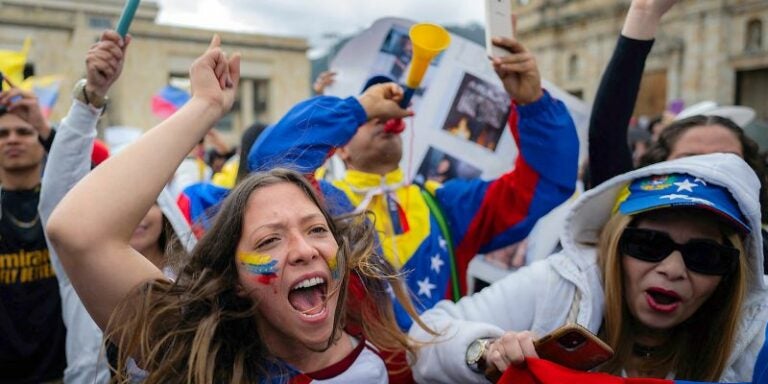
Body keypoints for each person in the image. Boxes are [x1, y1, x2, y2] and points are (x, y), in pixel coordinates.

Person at [46, 35, 423, 383]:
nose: (305, 250)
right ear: (236, 280)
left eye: (316, 230)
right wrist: (204, 107)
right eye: (269, 240)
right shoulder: (204, 359)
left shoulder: (389, 355)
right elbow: (77, 231)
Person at [249, 36, 580, 330]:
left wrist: (533, 104)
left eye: (389, 111)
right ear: (341, 148)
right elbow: (269, 162)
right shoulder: (319, 208)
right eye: (371, 116)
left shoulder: (445, 204)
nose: (386, 116)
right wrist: (359, 108)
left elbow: (545, 182)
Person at [409, 152, 768, 383]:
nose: (673, 269)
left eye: (704, 256)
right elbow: (424, 339)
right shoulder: (559, 284)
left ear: (731, 273)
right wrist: (485, 351)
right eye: (649, 245)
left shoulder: (755, 335)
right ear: (614, 246)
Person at [0, 75, 65, 381]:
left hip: (61, 370)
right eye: (2, 133)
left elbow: (99, 181)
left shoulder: (66, 203)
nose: (12, 139)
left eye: (24, 132)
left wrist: (43, 126)